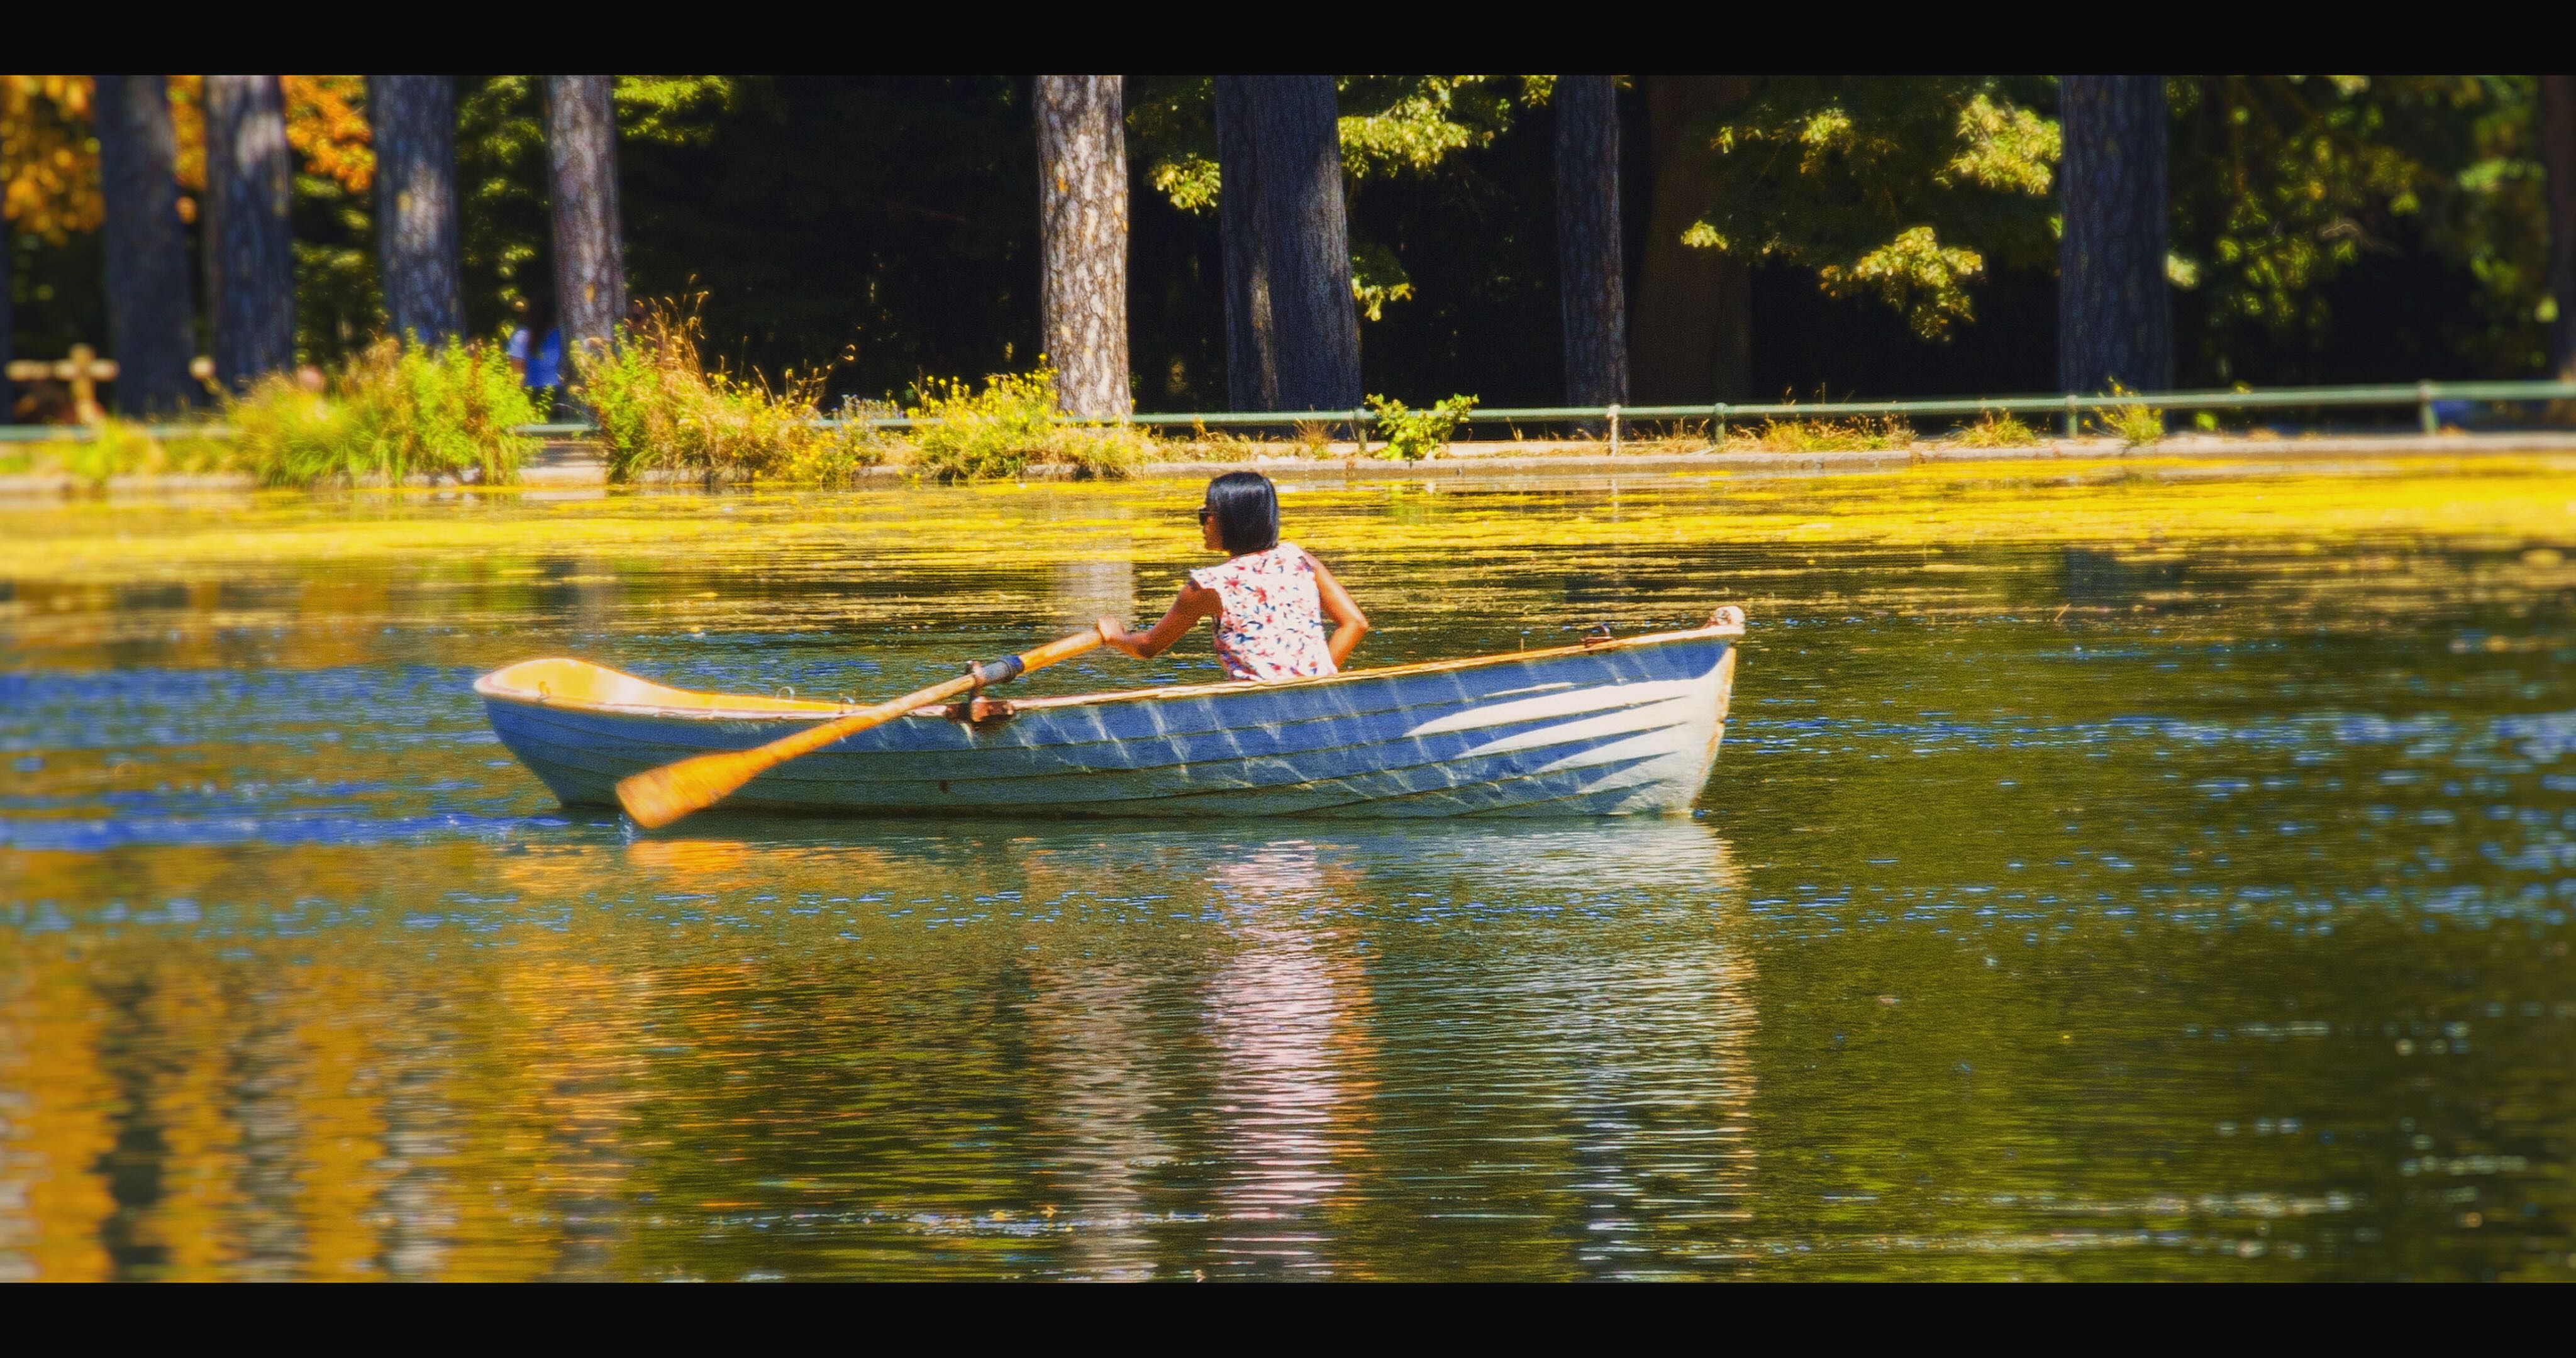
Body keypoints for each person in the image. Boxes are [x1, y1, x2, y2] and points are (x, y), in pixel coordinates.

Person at [1099, 471, 1369, 681]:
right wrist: (1318, 678)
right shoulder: (1299, 559)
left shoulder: (1208, 586)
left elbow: (1147, 647)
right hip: (1316, 695)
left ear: (1230, 519)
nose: (1203, 523)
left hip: (1256, 704)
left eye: (1206, 514)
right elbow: (1355, 622)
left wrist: (1115, 637)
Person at [506, 290, 563, 414]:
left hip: (531, 395)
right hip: (560, 396)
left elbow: (517, 374)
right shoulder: (562, 335)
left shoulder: (521, 336)